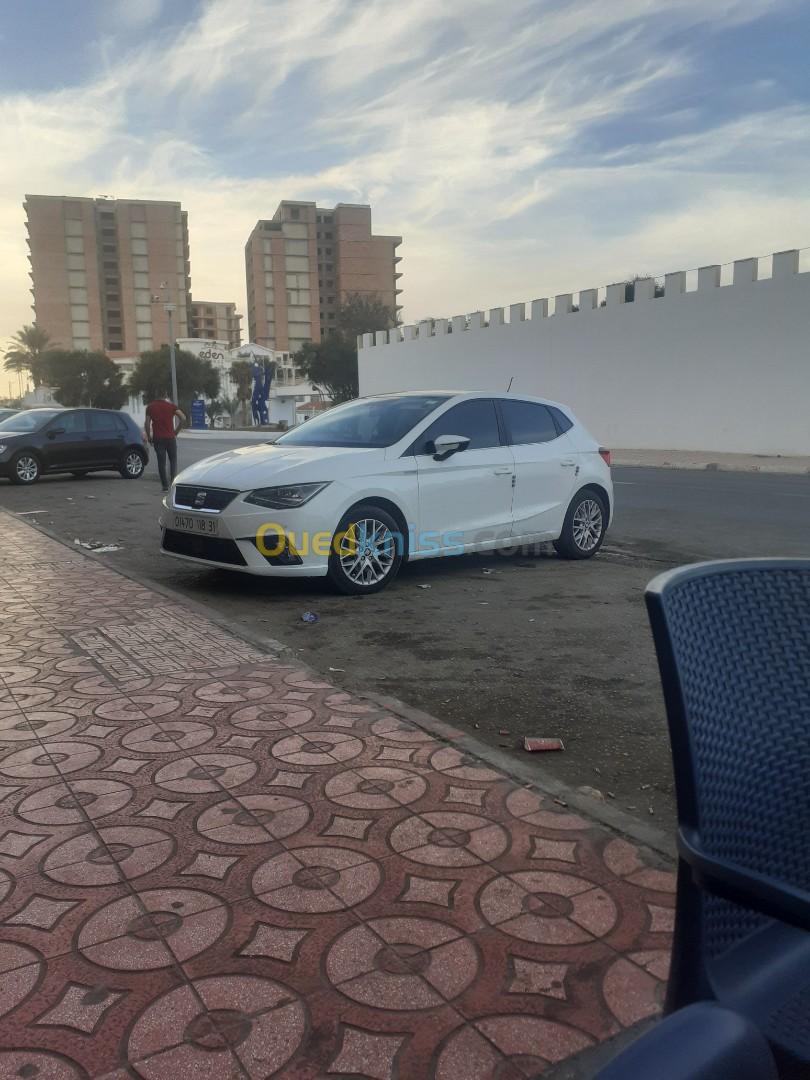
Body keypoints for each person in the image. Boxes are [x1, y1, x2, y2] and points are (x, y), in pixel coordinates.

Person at [144, 397, 186, 491]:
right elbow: (183, 418)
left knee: (161, 463)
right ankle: (173, 484)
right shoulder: (171, 406)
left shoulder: (150, 407)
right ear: (165, 395)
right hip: (170, 438)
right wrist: (176, 431)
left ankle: (165, 486)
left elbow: (147, 423)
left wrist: (149, 437)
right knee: (173, 460)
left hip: (158, 438)